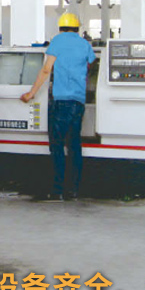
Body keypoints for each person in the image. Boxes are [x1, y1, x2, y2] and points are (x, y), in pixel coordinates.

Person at [20, 12, 95, 202]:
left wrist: (31, 93)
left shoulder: (58, 41)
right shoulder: (85, 44)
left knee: (57, 146)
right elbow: (91, 65)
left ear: (61, 28)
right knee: (74, 145)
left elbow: (46, 69)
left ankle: (57, 190)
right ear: (77, 28)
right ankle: (73, 191)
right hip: (78, 101)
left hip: (61, 101)